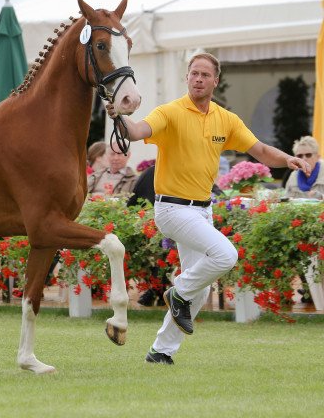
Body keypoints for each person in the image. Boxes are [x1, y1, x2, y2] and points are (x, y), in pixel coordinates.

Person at [107, 52, 311, 365]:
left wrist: (287, 160)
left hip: (202, 209)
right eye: (193, 74)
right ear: (186, 78)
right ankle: (177, 293)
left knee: (198, 290)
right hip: (173, 210)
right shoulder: (171, 112)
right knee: (225, 256)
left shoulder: (225, 118)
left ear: (216, 81)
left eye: (205, 74)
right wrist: (118, 115)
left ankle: (161, 351)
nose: (198, 79)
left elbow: (259, 150)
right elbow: (136, 132)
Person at [284, 136, 324, 200]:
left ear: (317, 157)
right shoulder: (292, 177)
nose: (304, 158)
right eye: (299, 156)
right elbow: (287, 201)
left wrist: (321, 197)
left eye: (308, 155)